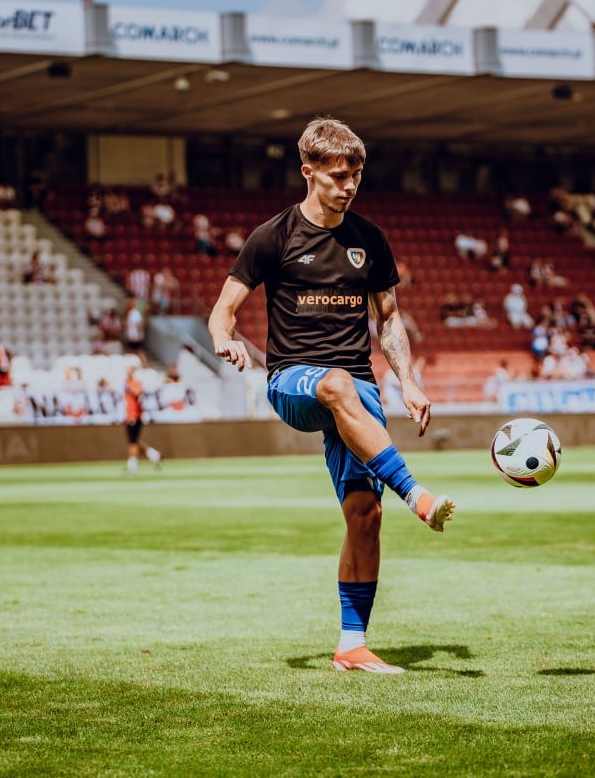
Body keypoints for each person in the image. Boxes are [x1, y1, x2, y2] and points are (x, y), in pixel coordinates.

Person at [208, 117, 454, 675]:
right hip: (292, 380)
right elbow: (223, 311)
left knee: (365, 515)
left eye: (356, 176)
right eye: (338, 176)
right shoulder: (272, 236)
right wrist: (226, 340)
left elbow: (388, 319)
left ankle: (352, 645)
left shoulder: (370, 239)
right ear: (308, 171)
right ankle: (416, 494)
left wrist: (408, 380)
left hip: (357, 391)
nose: (349, 186)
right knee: (336, 382)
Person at [122, 367, 162, 474]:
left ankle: (132, 466)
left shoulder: (136, 383)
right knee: (134, 440)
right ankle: (154, 455)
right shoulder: (127, 383)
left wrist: (129, 386)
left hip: (134, 415)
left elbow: (137, 393)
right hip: (128, 415)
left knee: (132, 442)